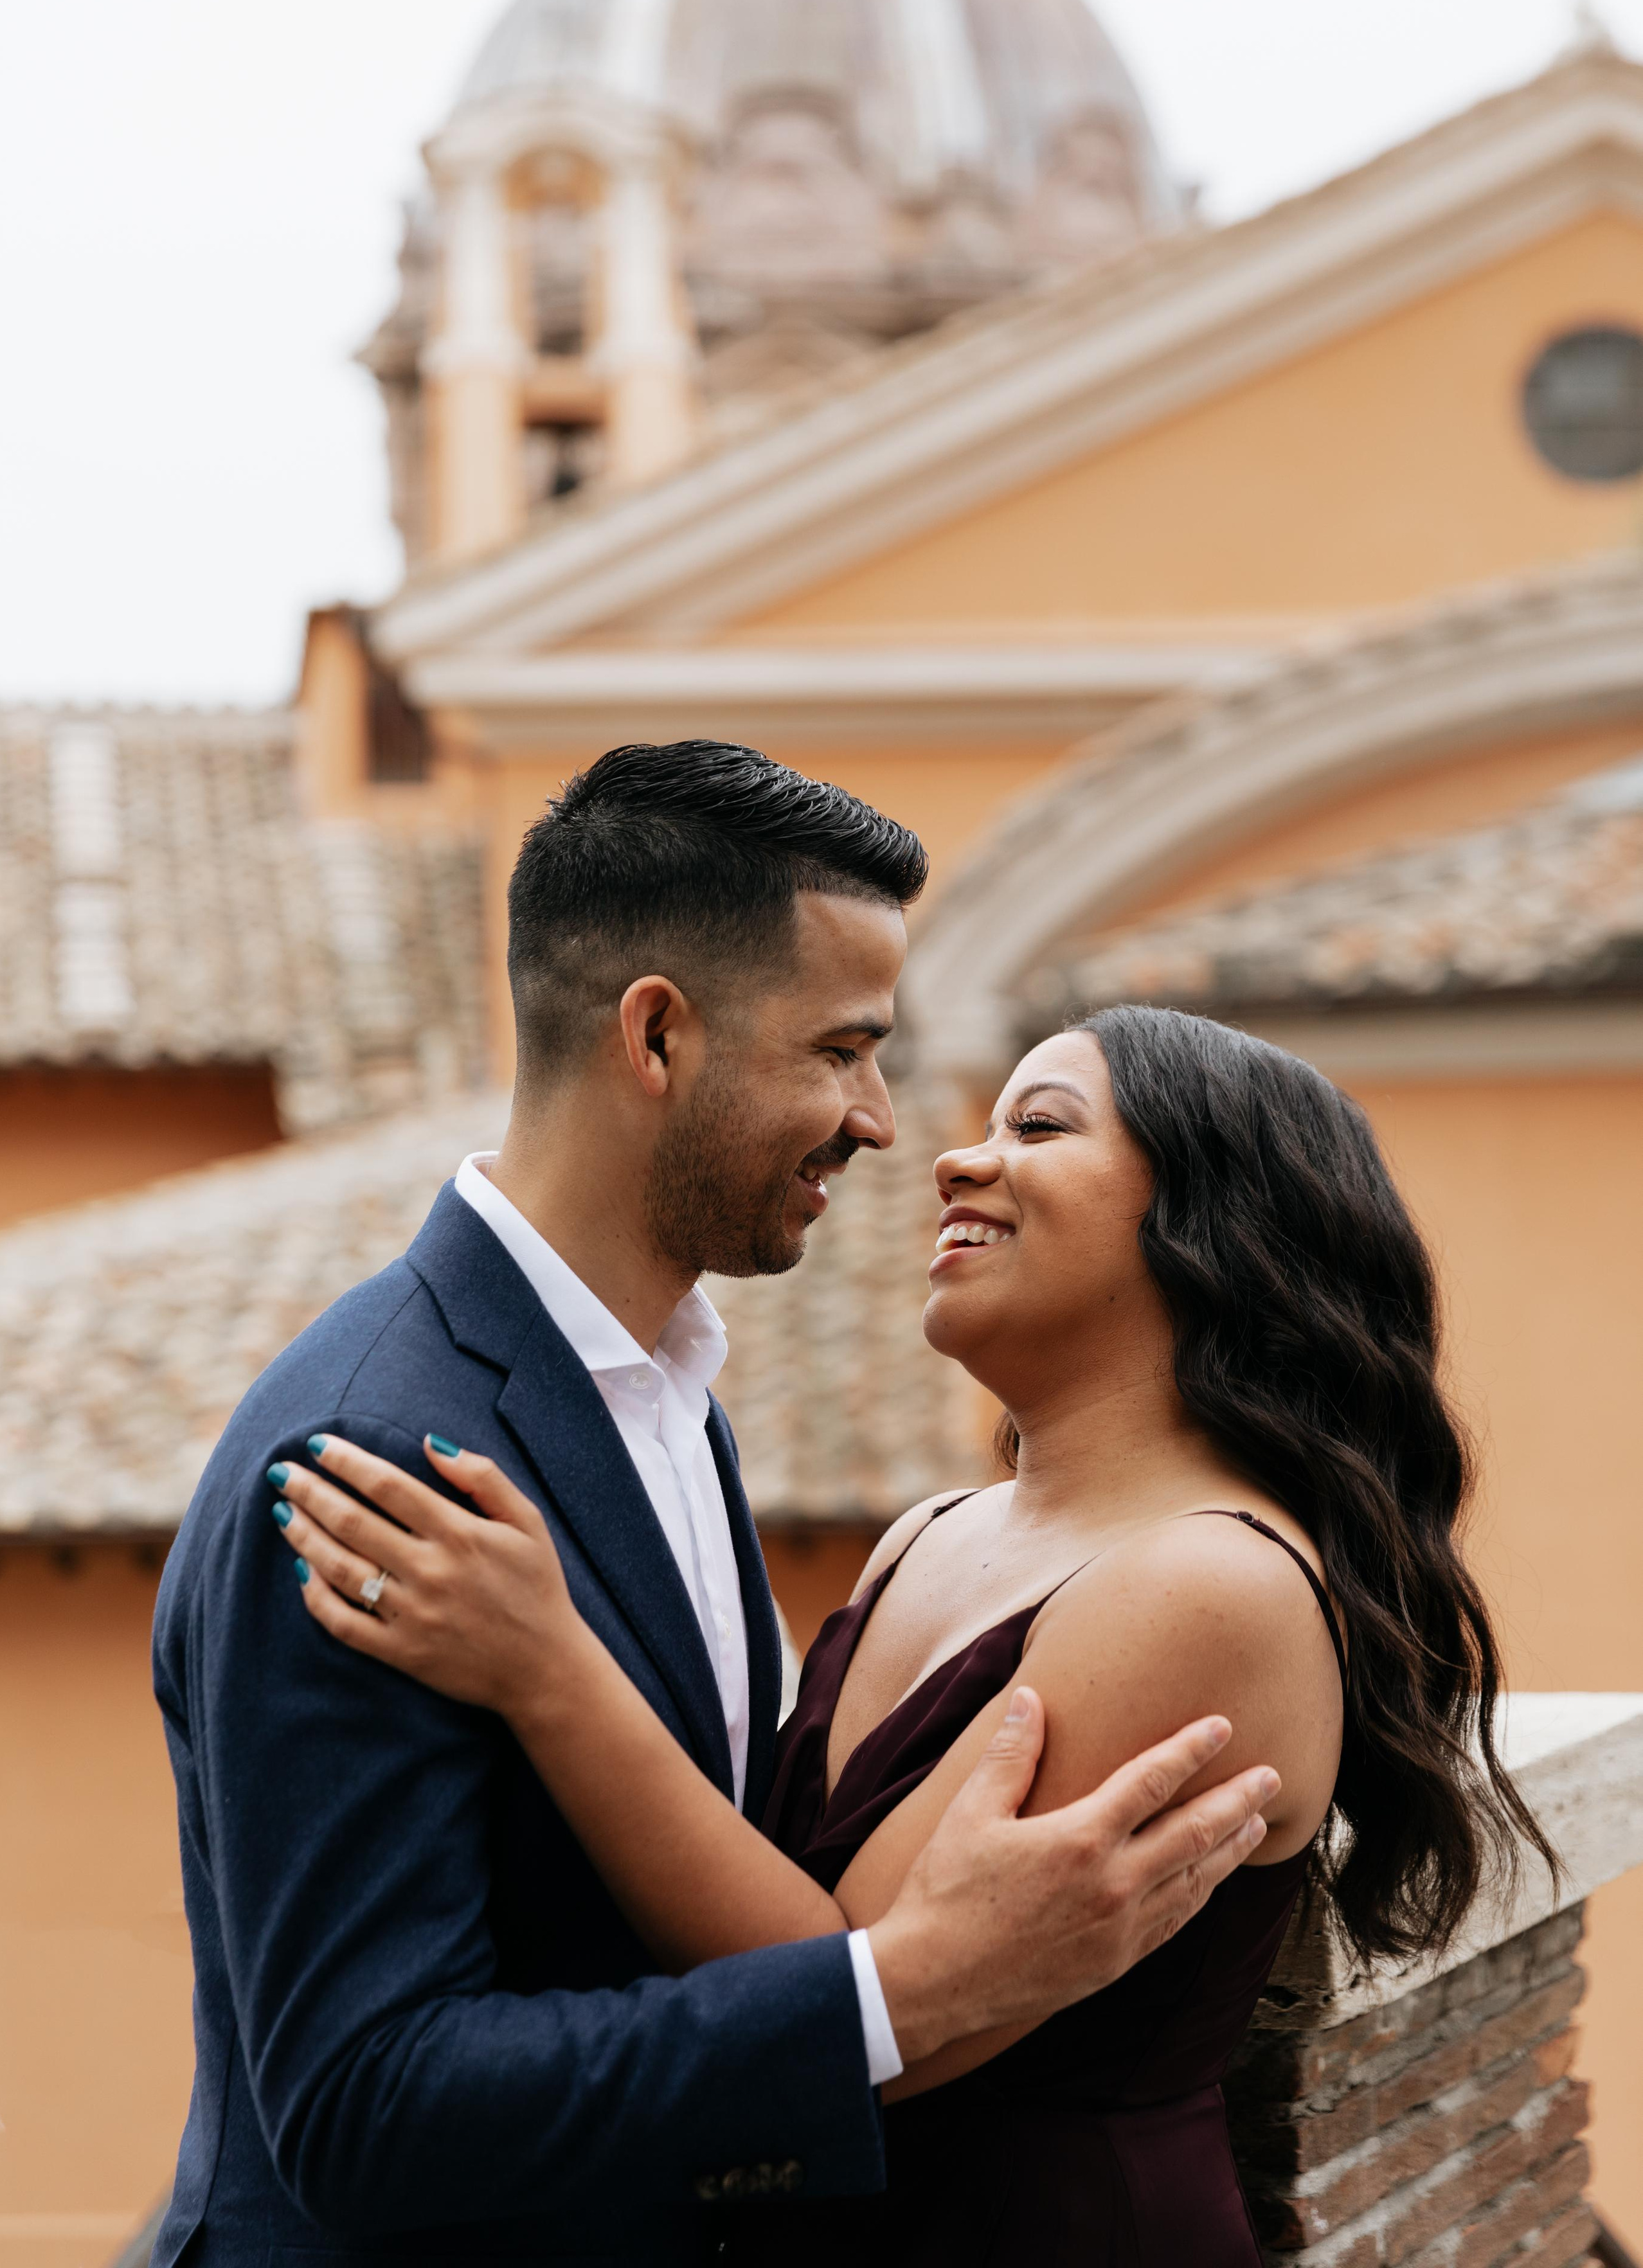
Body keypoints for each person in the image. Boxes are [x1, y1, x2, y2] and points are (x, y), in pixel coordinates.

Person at [150, 744, 1278, 2268]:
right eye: (839, 1050)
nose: (879, 1121)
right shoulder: (383, 1456)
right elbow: (367, 2109)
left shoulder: (670, 1405)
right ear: (659, 1036)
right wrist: (911, 1986)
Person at [274, 1001, 1559, 2265]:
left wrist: (546, 1669)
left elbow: (840, 1996)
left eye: (1039, 1125)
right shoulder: (928, 1535)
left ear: (1214, 1222)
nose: (953, 1154)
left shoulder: (1206, 1589)